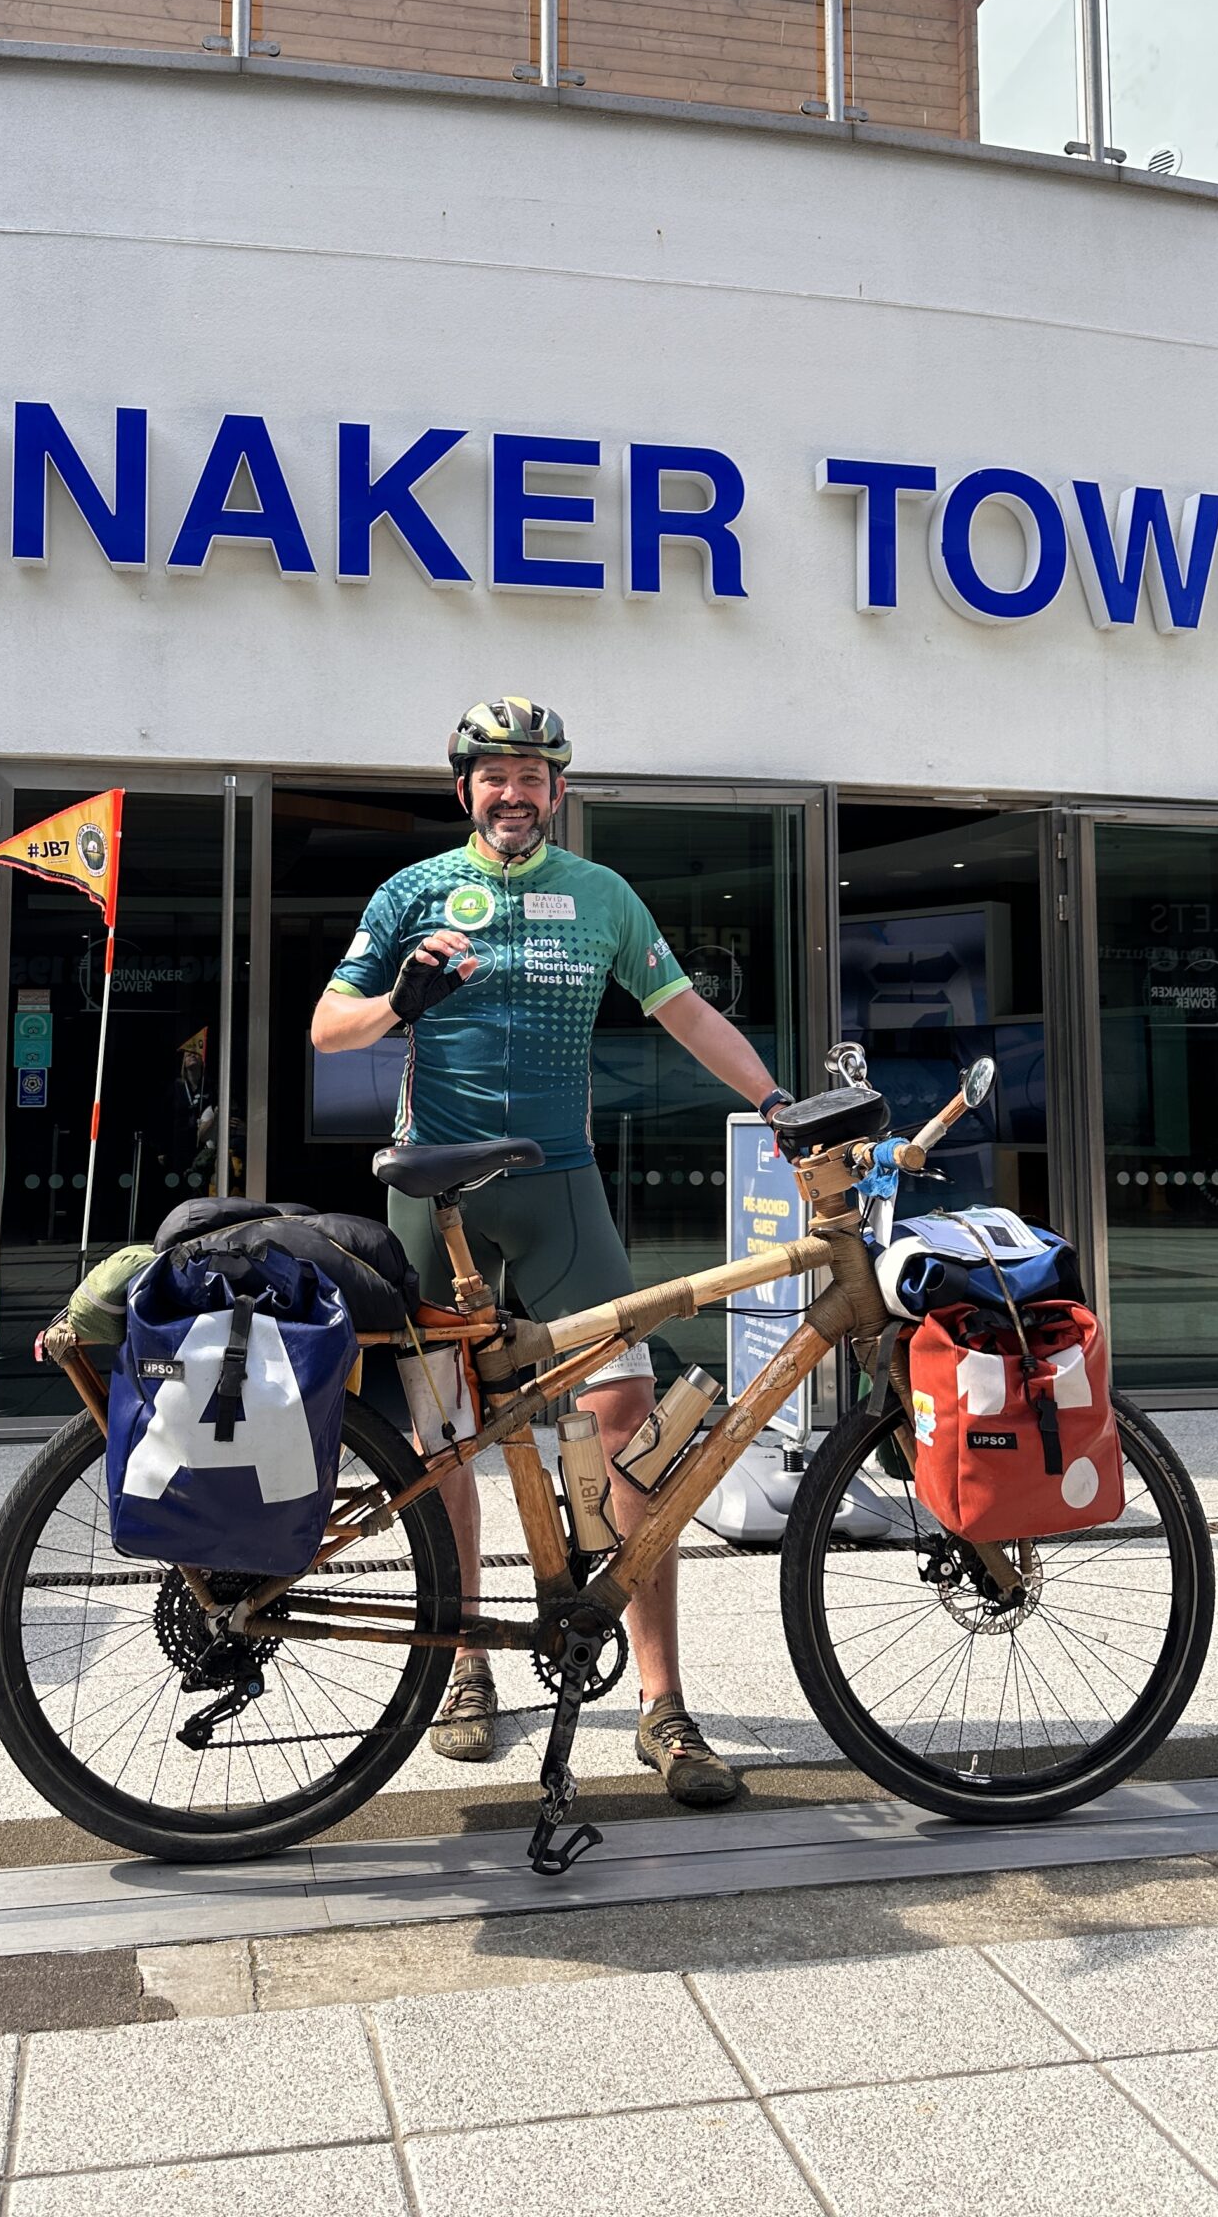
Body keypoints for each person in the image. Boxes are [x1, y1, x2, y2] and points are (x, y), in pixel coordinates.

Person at [310, 697, 793, 1808]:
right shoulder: (414, 892)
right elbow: (330, 1027)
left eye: (532, 773)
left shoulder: (603, 897)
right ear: (465, 790)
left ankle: (661, 1703)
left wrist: (774, 1098)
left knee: (632, 1427)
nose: (513, 790)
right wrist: (398, 999)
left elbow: (684, 1014)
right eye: (494, 774)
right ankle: (460, 1663)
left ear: (558, 790)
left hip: (562, 1185)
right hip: (438, 1195)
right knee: (444, 1441)